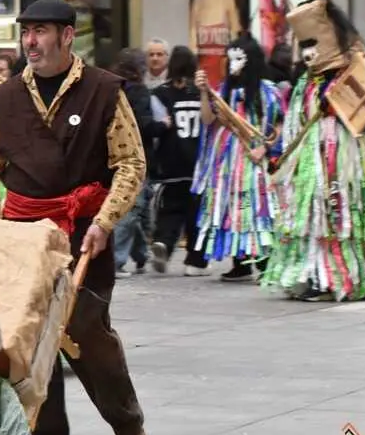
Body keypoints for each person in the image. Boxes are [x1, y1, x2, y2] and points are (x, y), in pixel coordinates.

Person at [0, 0, 150, 435]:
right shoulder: (4, 97)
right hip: (22, 240)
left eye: (41, 32)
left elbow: (131, 163)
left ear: (68, 36)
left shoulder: (103, 90)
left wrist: (106, 221)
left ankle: (128, 423)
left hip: (84, 232)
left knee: (84, 330)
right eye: (26, 32)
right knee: (31, 344)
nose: (30, 42)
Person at [263, 0, 365, 301]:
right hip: (311, 165)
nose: (309, 54)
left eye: (313, 45)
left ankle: (350, 276)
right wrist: (282, 157)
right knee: (315, 217)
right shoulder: (305, 83)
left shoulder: (355, 73)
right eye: (304, 46)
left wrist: (339, 106)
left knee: (345, 216)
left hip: (348, 163)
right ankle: (317, 274)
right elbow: (295, 123)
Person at [193, 33, 284, 281]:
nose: (234, 64)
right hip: (227, 159)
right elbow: (208, 119)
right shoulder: (222, 91)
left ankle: (265, 263)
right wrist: (204, 92)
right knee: (231, 207)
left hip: (254, 158)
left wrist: (265, 148)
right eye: (230, 58)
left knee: (257, 206)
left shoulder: (267, 91)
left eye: (239, 58)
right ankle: (240, 262)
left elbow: (279, 124)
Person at [149, 45, 209, 276]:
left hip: (171, 163)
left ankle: (163, 241)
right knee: (196, 215)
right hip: (198, 164)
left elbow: (157, 124)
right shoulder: (200, 92)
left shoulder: (160, 93)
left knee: (170, 211)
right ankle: (195, 261)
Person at [112, 48, 162, 276]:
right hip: (136, 157)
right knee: (131, 210)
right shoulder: (139, 92)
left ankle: (141, 254)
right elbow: (142, 125)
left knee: (132, 210)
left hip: (114, 155)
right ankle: (116, 260)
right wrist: (162, 125)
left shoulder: (113, 88)